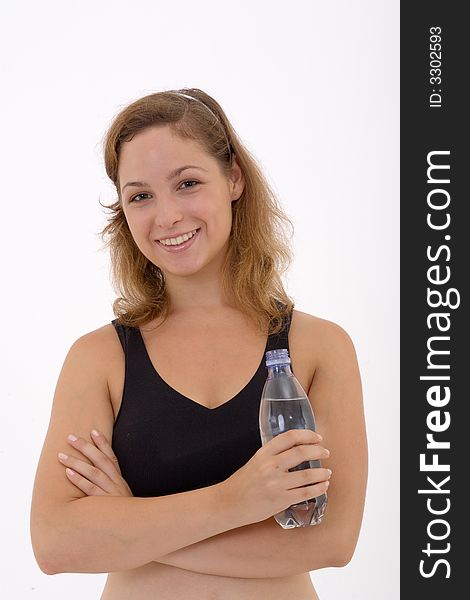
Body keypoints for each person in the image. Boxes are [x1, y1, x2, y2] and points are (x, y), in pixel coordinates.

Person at [30, 88, 368, 600]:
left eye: (186, 183)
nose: (165, 217)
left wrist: (128, 525)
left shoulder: (321, 347)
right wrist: (235, 501)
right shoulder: (98, 359)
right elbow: (55, 544)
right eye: (140, 195)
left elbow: (331, 540)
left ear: (233, 178)